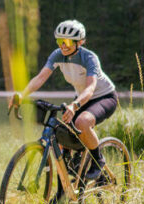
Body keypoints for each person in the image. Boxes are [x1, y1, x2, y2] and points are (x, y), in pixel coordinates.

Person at [11, 19, 118, 181]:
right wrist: (22, 94)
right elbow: (40, 78)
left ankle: (98, 161)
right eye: (59, 41)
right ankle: (69, 180)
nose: (63, 45)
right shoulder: (57, 55)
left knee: (82, 121)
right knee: (62, 131)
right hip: (81, 98)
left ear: (80, 42)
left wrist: (75, 105)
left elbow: (90, 88)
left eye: (67, 41)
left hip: (104, 96)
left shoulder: (89, 58)